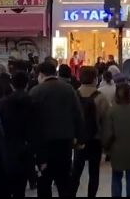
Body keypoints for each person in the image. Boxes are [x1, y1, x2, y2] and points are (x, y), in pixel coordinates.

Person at [29, 60, 84, 198]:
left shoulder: (36, 91)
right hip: (65, 142)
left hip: (43, 144)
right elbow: (78, 114)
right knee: (64, 180)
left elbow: (31, 120)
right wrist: (80, 138)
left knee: (44, 182)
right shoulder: (68, 89)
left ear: (41, 74)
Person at [0, 71, 39, 199]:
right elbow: (35, 129)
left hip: (7, 149)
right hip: (25, 150)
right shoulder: (32, 102)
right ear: (27, 84)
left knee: (5, 189)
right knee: (20, 190)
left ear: (12, 84)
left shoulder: (3, 103)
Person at [102, 82, 130, 198]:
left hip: (117, 151)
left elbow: (108, 134)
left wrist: (106, 147)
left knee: (116, 177)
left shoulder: (112, 111)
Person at [72, 66, 108, 198]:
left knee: (76, 171)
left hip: (79, 139)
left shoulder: (74, 94)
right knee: (94, 173)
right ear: (95, 78)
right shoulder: (100, 97)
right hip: (95, 139)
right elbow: (105, 120)